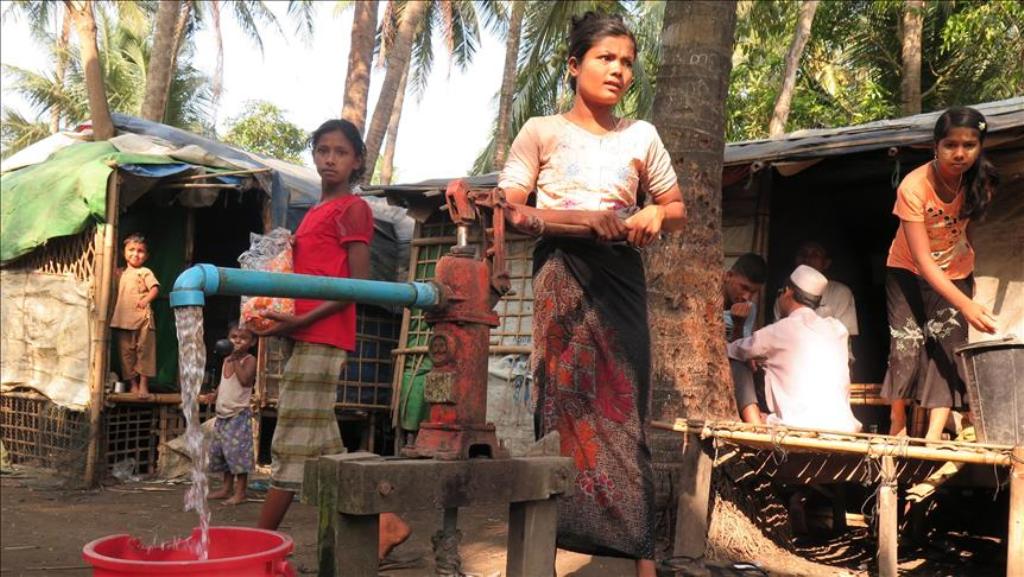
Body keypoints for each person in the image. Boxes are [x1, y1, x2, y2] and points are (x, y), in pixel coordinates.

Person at [499, 12, 685, 577]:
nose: (618, 70)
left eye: (627, 62)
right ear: (575, 64)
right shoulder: (540, 131)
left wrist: (654, 210)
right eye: (606, 58)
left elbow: (676, 209)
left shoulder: (642, 136)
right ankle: (545, 555)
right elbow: (510, 209)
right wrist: (582, 218)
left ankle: (641, 563)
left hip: (621, 279)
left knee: (628, 409)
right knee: (561, 409)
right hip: (562, 273)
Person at [253, 119, 410, 559]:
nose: (329, 159)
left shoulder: (353, 209)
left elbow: (355, 285)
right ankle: (387, 523)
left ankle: (259, 549)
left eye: (340, 152)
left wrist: (296, 323)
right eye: (322, 150)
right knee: (322, 444)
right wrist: (277, 315)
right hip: (301, 332)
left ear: (357, 160)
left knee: (290, 444)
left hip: (323, 334)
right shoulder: (312, 213)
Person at [881, 107, 999, 440]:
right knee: (906, 344)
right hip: (907, 268)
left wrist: (970, 280)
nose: (959, 153)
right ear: (935, 145)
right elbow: (923, 260)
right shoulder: (913, 186)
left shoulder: (982, 181)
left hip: (956, 270)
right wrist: (966, 305)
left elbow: (966, 230)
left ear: (979, 147)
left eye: (969, 145)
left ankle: (933, 435)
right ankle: (898, 421)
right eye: (950, 145)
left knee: (948, 345)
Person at [728, 265, 861, 433]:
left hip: (798, 427)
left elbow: (730, 351)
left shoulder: (778, 330)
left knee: (738, 365)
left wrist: (738, 324)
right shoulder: (837, 330)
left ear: (787, 292)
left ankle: (755, 427)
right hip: (843, 428)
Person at [201, 323, 257, 506]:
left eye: (243, 338)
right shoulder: (226, 360)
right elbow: (224, 383)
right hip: (222, 415)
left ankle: (240, 492)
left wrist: (235, 358)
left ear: (252, 342)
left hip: (238, 415)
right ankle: (226, 488)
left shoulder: (248, 360)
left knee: (238, 455)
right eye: (234, 337)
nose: (237, 341)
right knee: (223, 454)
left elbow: (245, 380)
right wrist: (214, 395)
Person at [109, 233, 159, 399]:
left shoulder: (145, 271)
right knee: (126, 354)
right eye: (131, 250)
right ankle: (133, 385)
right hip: (122, 320)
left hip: (142, 320)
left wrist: (146, 299)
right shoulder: (119, 273)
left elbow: (154, 289)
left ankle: (144, 385)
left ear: (146, 256)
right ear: (124, 253)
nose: (135, 254)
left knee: (144, 351)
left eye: (140, 251)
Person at [724, 253, 767, 342]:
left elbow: (739, 352)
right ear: (729, 276)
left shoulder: (749, 309)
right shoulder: (702, 302)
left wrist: (739, 325)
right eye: (744, 287)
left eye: (753, 292)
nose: (746, 297)